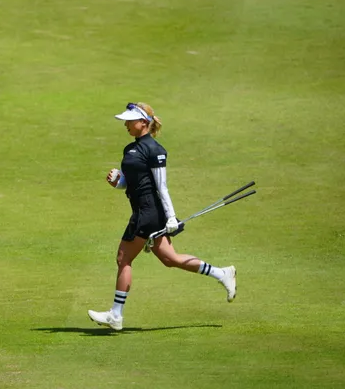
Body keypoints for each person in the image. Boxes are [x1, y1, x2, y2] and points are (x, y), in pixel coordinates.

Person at [87, 102, 236, 331]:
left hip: (148, 213)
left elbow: (161, 186)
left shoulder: (155, 150)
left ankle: (116, 315)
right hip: (143, 210)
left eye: (130, 121)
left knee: (123, 258)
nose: (126, 124)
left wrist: (171, 217)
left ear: (143, 123)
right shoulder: (130, 149)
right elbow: (133, 183)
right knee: (170, 259)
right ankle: (222, 273)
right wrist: (119, 182)